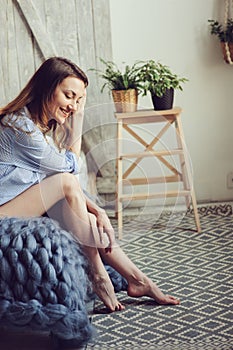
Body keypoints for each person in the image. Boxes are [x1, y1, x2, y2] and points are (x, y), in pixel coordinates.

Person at [0, 57, 180, 312]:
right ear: (46, 88)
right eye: (69, 96)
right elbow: (69, 170)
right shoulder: (20, 128)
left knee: (80, 209)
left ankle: (138, 279)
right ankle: (99, 275)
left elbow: (58, 183)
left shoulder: (36, 125)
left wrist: (97, 211)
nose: (73, 106)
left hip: (15, 204)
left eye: (79, 100)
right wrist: (78, 127)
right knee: (65, 183)